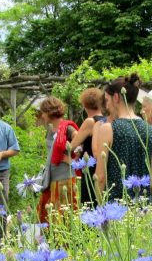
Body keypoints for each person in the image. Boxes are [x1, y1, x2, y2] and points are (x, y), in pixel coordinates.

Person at [93, 74, 152, 202]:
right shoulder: (149, 129)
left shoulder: (108, 128)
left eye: (107, 100)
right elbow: (151, 170)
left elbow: (100, 177)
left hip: (117, 207)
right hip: (144, 206)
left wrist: (100, 206)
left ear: (116, 97)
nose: (107, 106)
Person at [36, 97, 79, 225]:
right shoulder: (51, 129)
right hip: (52, 178)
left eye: (43, 112)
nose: (42, 116)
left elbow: (79, 142)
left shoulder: (67, 128)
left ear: (49, 112)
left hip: (65, 178)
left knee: (64, 215)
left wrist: (71, 160)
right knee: (49, 215)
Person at [70, 87, 107, 206]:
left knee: (89, 202)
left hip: (90, 166)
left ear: (85, 105)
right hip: (103, 166)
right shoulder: (106, 120)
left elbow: (72, 145)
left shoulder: (90, 122)